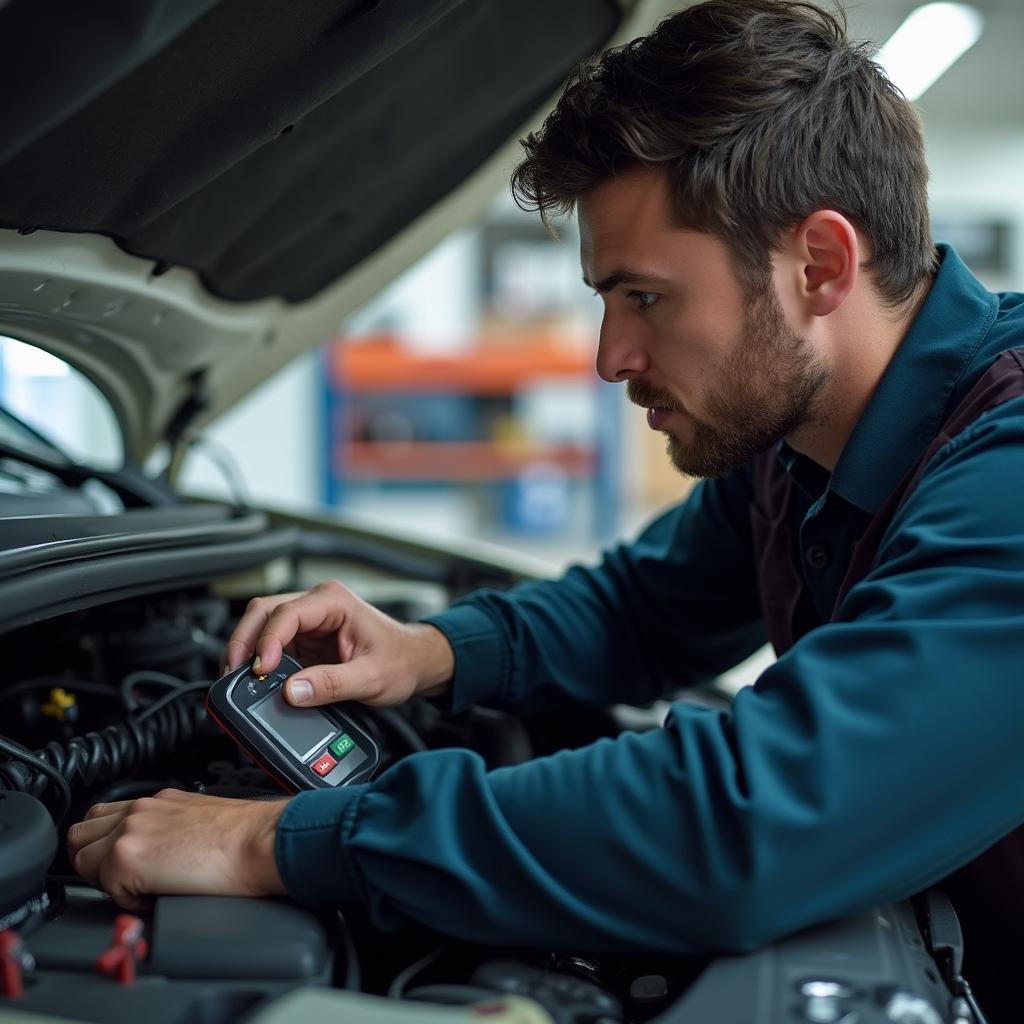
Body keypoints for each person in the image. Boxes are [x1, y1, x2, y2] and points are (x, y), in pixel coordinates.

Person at [67, 0, 1024, 1016]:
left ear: (819, 265)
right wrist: (426, 652)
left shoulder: (1004, 467)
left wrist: (273, 842)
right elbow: (641, 612)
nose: (610, 357)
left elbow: (754, 820)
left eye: (644, 297)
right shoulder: (799, 439)